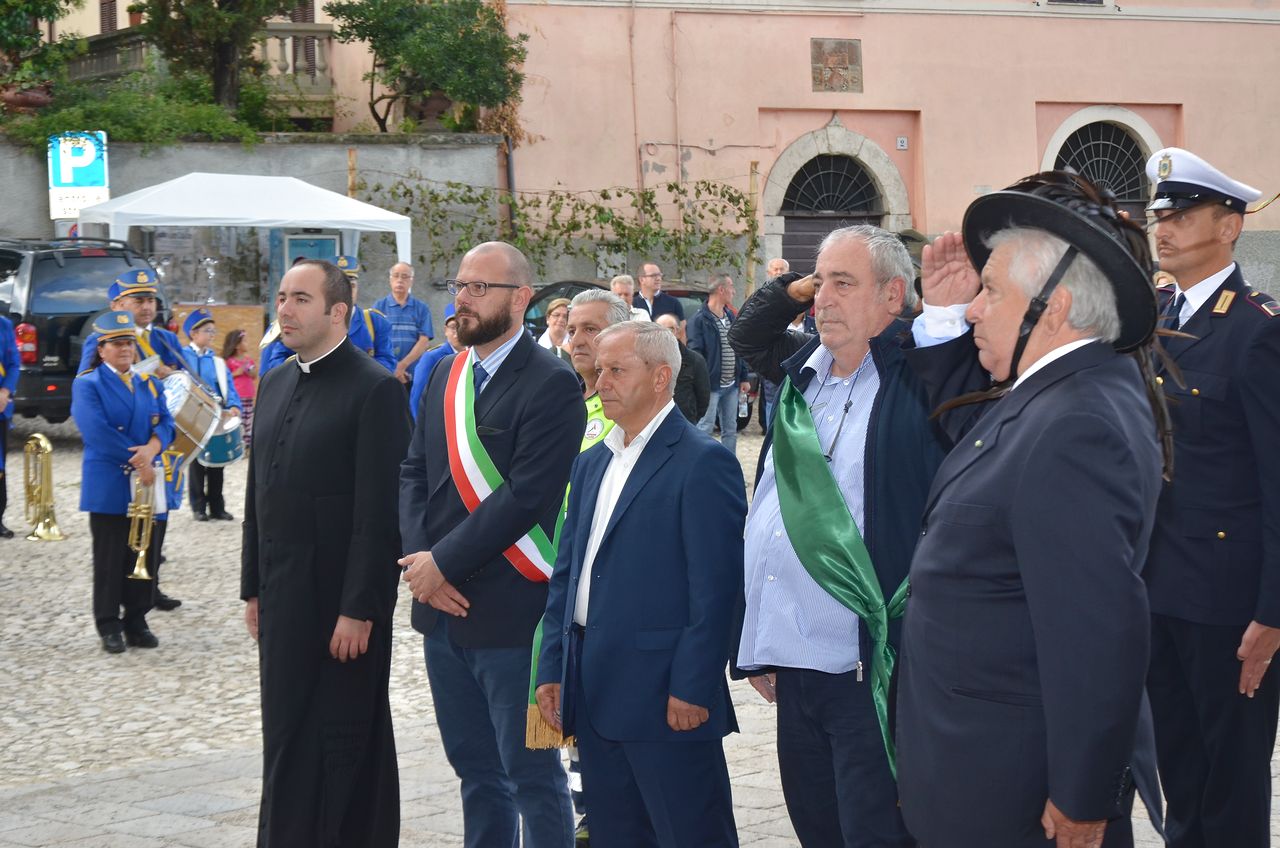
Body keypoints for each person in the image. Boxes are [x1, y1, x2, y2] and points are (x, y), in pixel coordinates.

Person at [895, 171, 1167, 847]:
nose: (974, 311)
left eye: (990, 291)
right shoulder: (1054, 398)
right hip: (981, 777)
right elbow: (984, 459)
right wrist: (942, 315)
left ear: (1054, 306)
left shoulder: (1077, 425)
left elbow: (1097, 634)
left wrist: (1082, 798)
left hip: (1012, 797)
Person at [727, 225, 944, 848]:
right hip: (792, 664)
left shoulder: (920, 378)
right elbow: (748, 335)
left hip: (867, 664)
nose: (823, 299)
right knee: (817, 828)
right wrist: (755, 641)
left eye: (843, 284)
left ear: (892, 296)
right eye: (819, 283)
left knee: (875, 833)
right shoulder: (802, 372)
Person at [399, 241, 584, 848]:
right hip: (442, 614)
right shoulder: (445, 374)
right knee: (475, 773)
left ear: (521, 298)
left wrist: (442, 563)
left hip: (513, 618)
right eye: (459, 285)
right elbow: (414, 472)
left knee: (532, 777)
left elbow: (527, 496)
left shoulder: (552, 382)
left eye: (480, 288)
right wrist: (424, 565)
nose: (464, 298)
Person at [535, 321, 746, 848]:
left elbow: (717, 589)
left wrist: (693, 685)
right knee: (614, 834)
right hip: (593, 687)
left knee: (689, 834)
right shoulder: (591, 462)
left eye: (615, 370)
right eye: (599, 369)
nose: (600, 381)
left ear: (659, 378)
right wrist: (553, 667)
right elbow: (568, 574)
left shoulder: (703, 462)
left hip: (666, 696)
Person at [241, 259, 410, 847]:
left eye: (301, 299)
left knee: (342, 742)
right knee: (286, 738)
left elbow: (379, 514)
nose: (284, 309)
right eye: (282, 297)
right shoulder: (274, 380)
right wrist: (253, 587)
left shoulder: (375, 390)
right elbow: (257, 494)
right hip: (283, 596)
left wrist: (360, 608)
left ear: (338, 311)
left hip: (340, 607)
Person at [1139, 148, 1280, 848]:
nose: (1163, 229)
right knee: (1182, 780)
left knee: (1231, 789)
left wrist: (1273, 612)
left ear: (1229, 228)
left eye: (1183, 215)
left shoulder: (1258, 330)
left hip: (1228, 606)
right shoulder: (1157, 317)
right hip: (1160, 589)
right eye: (1160, 215)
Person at [72, 311, 175, 654]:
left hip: (145, 480)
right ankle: (108, 623)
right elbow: (96, 432)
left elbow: (167, 424)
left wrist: (153, 448)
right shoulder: (88, 384)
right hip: (111, 482)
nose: (125, 348)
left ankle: (136, 618)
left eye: (129, 342)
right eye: (116, 343)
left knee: (144, 551)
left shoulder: (149, 383)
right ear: (101, 349)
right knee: (110, 556)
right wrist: (141, 459)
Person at [260, 256, 397, 374]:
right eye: (339, 288)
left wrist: (352, 376)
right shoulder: (304, 320)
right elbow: (276, 362)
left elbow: (387, 363)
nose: (346, 292)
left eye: (351, 286)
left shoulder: (374, 322)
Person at [181, 309, 243, 522]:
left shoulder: (217, 362)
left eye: (213, 331)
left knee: (218, 461)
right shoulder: (181, 358)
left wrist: (233, 405)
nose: (212, 335)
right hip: (193, 417)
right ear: (193, 333)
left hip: (216, 417)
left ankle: (217, 506)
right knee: (197, 463)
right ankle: (198, 507)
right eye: (208, 331)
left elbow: (229, 387)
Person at [687, 273, 749, 455]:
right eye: (731, 286)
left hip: (731, 385)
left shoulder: (731, 317)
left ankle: (728, 465)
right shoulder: (699, 320)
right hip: (710, 386)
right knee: (705, 427)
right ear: (721, 290)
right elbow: (696, 355)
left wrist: (744, 377)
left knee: (730, 429)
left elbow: (739, 348)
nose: (734, 291)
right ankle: (699, 463)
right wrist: (702, 382)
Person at [78, 269, 183, 376]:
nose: (146, 307)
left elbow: (187, 374)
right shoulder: (100, 339)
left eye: (151, 300)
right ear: (120, 305)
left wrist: (172, 375)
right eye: (139, 301)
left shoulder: (168, 338)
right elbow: (86, 380)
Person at [372, 262, 435, 385]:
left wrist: (402, 366)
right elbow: (375, 341)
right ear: (390, 279)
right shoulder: (378, 307)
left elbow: (424, 341)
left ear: (411, 281)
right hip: (385, 373)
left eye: (405, 276)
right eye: (396, 276)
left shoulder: (421, 308)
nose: (400, 280)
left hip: (413, 374)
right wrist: (393, 367)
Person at [408, 303, 463, 420]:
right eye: (453, 327)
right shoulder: (431, 357)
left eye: (462, 325)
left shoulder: (474, 354)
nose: (457, 331)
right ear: (445, 330)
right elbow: (418, 395)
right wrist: (420, 426)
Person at [655, 313, 710, 424]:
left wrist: (691, 418)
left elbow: (703, 398)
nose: (664, 334)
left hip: (684, 422)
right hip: (654, 422)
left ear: (678, 332)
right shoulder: (647, 360)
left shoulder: (695, 360)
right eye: (659, 329)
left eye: (669, 329)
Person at [0, 311, 18, 538]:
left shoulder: (4, 325)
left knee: (0, 466)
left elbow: (13, 364)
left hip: (0, 407)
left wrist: (5, 392)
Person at [223, 329, 257, 447]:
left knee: (248, 421)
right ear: (237, 345)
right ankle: (237, 443)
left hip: (248, 397)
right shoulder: (229, 361)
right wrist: (236, 373)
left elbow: (254, 376)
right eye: (245, 341)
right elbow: (224, 378)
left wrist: (250, 370)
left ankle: (247, 444)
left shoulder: (249, 360)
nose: (247, 343)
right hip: (237, 398)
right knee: (238, 421)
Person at [538, 297, 573, 362]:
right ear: (548, 318)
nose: (561, 320)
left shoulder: (576, 343)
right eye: (556, 315)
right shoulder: (535, 343)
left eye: (565, 316)